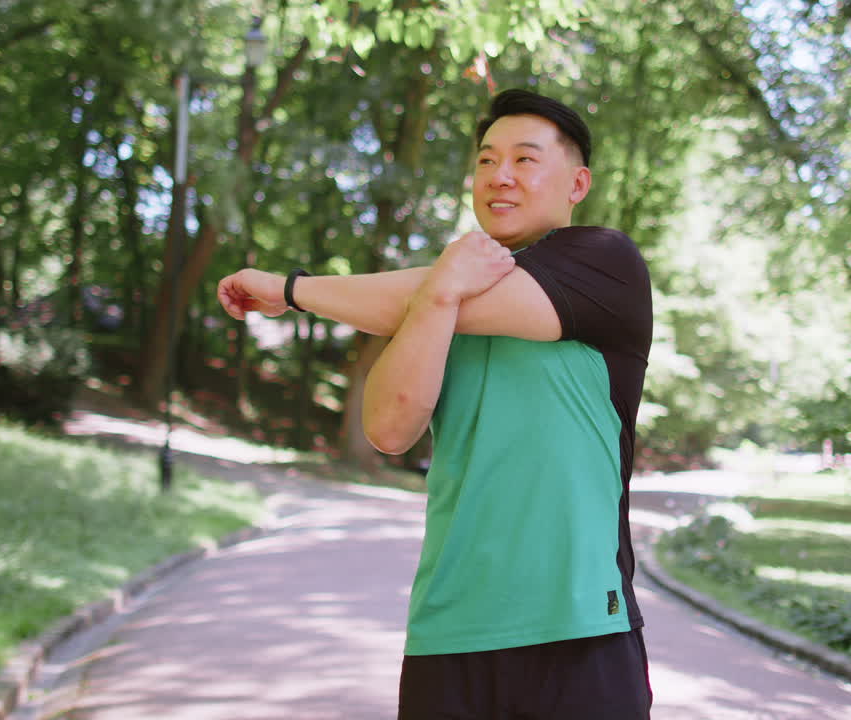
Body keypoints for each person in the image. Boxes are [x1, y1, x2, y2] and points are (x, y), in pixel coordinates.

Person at [217, 88, 654, 719]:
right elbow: (388, 430)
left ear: (577, 183)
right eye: (485, 160)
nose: (499, 176)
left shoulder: (606, 263)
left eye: (525, 160)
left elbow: (435, 296)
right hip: (447, 635)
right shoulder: (438, 301)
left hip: (580, 631)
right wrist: (440, 291)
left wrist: (291, 289)